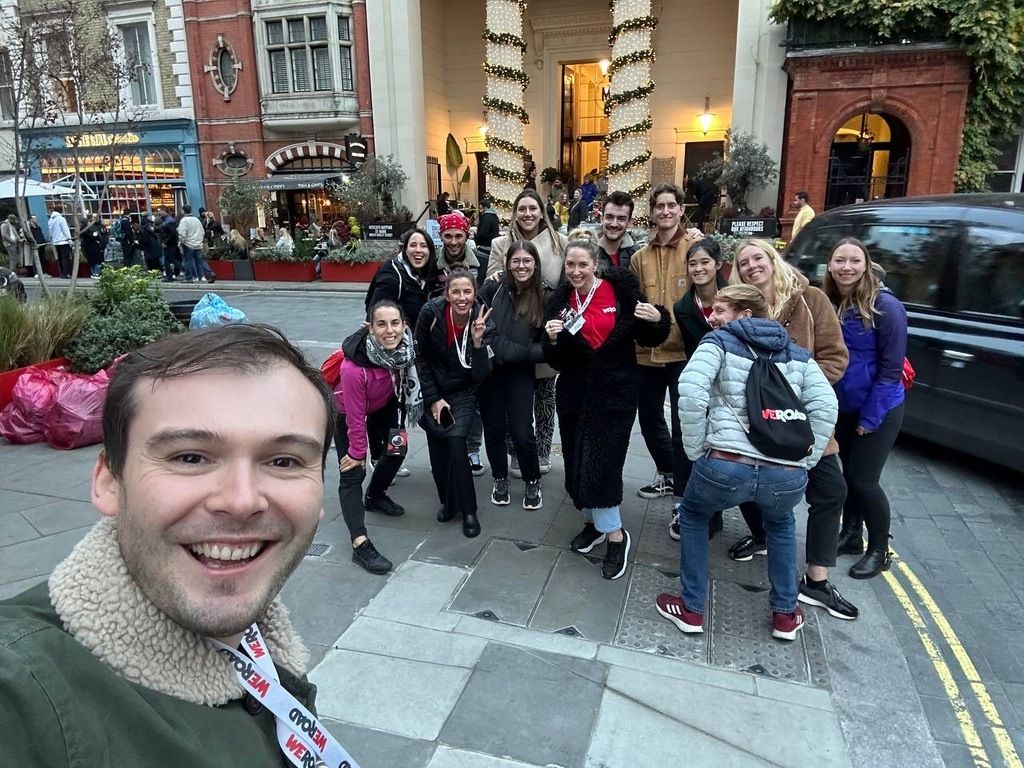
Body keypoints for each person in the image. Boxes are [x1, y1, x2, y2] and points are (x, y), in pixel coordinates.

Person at [0, 324, 359, 768]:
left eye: (283, 461)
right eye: (190, 457)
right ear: (109, 481)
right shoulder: (23, 687)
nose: (242, 501)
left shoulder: (265, 648)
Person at [656, 285, 838, 639]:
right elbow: (826, 406)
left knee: (693, 516)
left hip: (724, 464)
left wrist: (696, 452)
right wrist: (806, 461)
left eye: (721, 310)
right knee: (781, 524)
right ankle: (785, 615)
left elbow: (691, 392)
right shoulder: (797, 353)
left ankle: (692, 610)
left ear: (746, 315)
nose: (712, 316)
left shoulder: (718, 343)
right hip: (784, 473)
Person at [730, 238, 858, 621]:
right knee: (746, 481)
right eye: (744, 262)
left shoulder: (811, 299)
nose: (753, 265)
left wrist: (800, 392)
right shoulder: (743, 307)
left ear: (772, 259)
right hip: (757, 418)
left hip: (803, 418)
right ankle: (763, 536)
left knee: (831, 490)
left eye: (758, 257)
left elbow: (835, 356)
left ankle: (816, 582)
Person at [543, 230, 670, 580]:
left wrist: (658, 320)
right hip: (575, 390)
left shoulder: (620, 290)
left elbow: (648, 334)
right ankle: (594, 523)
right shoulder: (560, 300)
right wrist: (552, 340)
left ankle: (616, 535)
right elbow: (554, 357)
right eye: (570, 264)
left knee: (604, 461)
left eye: (582, 264)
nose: (576, 271)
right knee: (576, 457)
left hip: (615, 389)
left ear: (595, 264)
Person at [825, 238, 907, 579]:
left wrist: (870, 419)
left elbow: (891, 370)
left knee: (864, 480)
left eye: (854, 260)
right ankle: (850, 535)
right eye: (839, 260)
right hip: (843, 405)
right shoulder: (829, 301)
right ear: (829, 266)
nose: (847, 267)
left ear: (865, 264)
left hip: (879, 408)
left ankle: (878, 549)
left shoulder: (887, 307)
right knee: (848, 475)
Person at [333, 300, 422, 574]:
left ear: (404, 326)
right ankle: (360, 544)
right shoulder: (353, 368)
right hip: (349, 414)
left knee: (398, 450)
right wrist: (357, 453)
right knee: (352, 473)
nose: (389, 330)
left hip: (384, 403)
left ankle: (375, 496)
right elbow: (355, 418)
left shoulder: (404, 350)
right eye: (381, 324)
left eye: (395, 323)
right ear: (370, 328)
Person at [628, 183, 702, 505]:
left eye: (672, 205)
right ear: (653, 211)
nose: (666, 211)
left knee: (681, 427)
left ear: (681, 209)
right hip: (647, 354)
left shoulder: (694, 249)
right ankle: (667, 474)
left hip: (683, 354)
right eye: (660, 206)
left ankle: (683, 497)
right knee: (648, 420)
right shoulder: (639, 258)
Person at [487, 189, 567, 476]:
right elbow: (492, 283)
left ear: (541, 211)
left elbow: (567, 284)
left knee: (545, 398)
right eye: (522, 208)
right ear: (515, 212)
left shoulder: (560, 242)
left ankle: (543, 450)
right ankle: (516, 455)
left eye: (533, 208)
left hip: (543, 328)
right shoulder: (500, 243)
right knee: (512, 404)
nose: (528, 214)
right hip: (511, 332)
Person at [415, 269, 493, 538]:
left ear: (475, 293)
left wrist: (478, 342)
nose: (462, 297)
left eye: (467, 291)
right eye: (456, 292)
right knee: (437, 446)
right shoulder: (431, 313)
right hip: (433, 388)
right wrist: (434, 398)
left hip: (463, 391)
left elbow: (480, 375)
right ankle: (448, 503)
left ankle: (469, 510)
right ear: (447, 294)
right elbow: (420, 356)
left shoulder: (484, 319)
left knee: (456, 441)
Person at [668, 236, 731, 541]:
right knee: (686, 441)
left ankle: (714, 514)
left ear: (718, 264)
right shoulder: (683, 307)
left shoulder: (735, 299)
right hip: (699, 382)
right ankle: (684, 504)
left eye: (705, 262)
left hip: (732, 386)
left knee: (720, 448)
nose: (698, 268)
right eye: (693, 263)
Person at [479, 240, 547, 510]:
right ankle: (499, 478)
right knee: (493, 429)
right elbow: (482, 325)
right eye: (516, 261)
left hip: (521, 373)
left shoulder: (544, 294)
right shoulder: (493, 288)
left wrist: (518, 353)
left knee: (522, 431)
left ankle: (532, 480)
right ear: (507, 263)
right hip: (490, 372)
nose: (521, 266)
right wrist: (503, 349)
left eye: (527, 261)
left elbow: (549, 345)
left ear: (535, 264)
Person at [597, 191, 640, 272]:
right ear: (602, 219)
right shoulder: (587, 252)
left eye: (621, 219)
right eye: (609, 217)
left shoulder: (638, 256)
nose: (614, 224)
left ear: (630, 222)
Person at [437, 212, 482, 286]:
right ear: (440, 237)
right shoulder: (431, 263)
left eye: (458, 236)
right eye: (448, 236)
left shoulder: (483, 263)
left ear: (467, 237)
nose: (453, 242)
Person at [178, 205, 210, 283]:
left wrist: (181, 242)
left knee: (187, 261)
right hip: (198, 244)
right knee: (199, 261)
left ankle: (189, 278)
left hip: (188, 244)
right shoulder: (196, 219)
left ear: (183, 211)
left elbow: (182, 233)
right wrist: (199, 240)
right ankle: (201, 276)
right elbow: (202, 231)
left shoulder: (184, 220)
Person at [48, 204, 73, 278]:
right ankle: (67, 273)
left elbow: (50, 231)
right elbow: (65, 230)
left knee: (60, 258)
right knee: (66, 258)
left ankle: (62, 273)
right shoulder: (61, 219)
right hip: (63, 241)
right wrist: (70, 240)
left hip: (56, 242)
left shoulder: (51, 220)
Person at [80, 213, 108, 278]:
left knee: (95, 260)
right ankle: (95, 273)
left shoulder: (100, 226)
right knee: (96, 260)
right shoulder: (88, 228)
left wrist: (103, 244)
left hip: (97, 245)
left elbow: (105, 236)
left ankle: (94, 273)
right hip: (93, 246)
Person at [159, 207, 180, 282]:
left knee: (168, 260)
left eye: (160, 210)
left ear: (164, 211)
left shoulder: (169, 221)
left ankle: (170, 276)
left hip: (169, 244)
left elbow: (171, 233)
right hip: (170, 243)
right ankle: (169, 276)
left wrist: (165, 242)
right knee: (169, 260)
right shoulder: (168, 220)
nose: (159, 212)